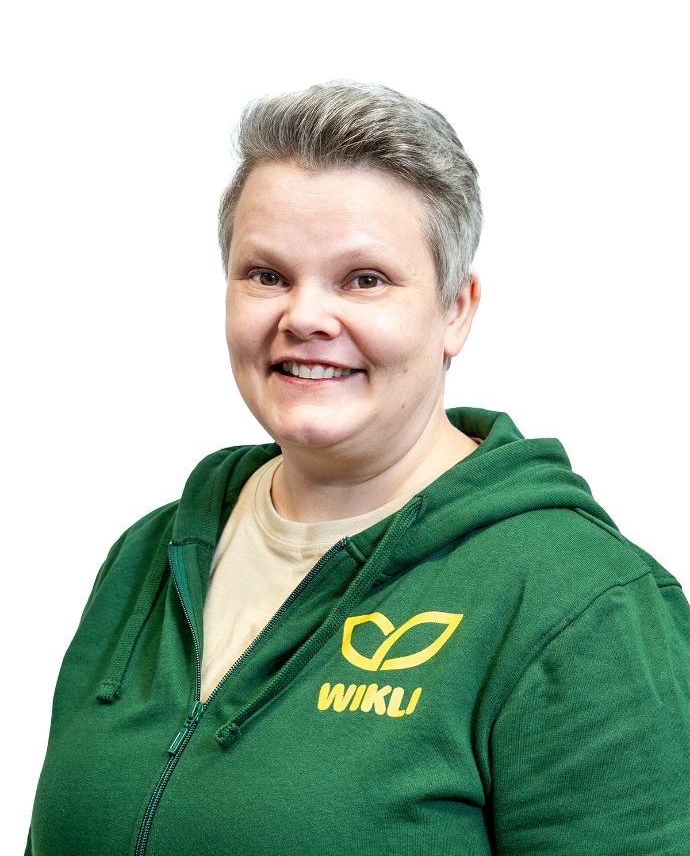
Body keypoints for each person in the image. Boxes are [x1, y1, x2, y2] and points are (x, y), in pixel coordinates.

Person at [25, 79, 689, 855]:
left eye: (364, 280)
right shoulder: (148, 559)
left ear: (456, 309)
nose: (304, 316)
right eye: (267, 275)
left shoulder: (582, 603)